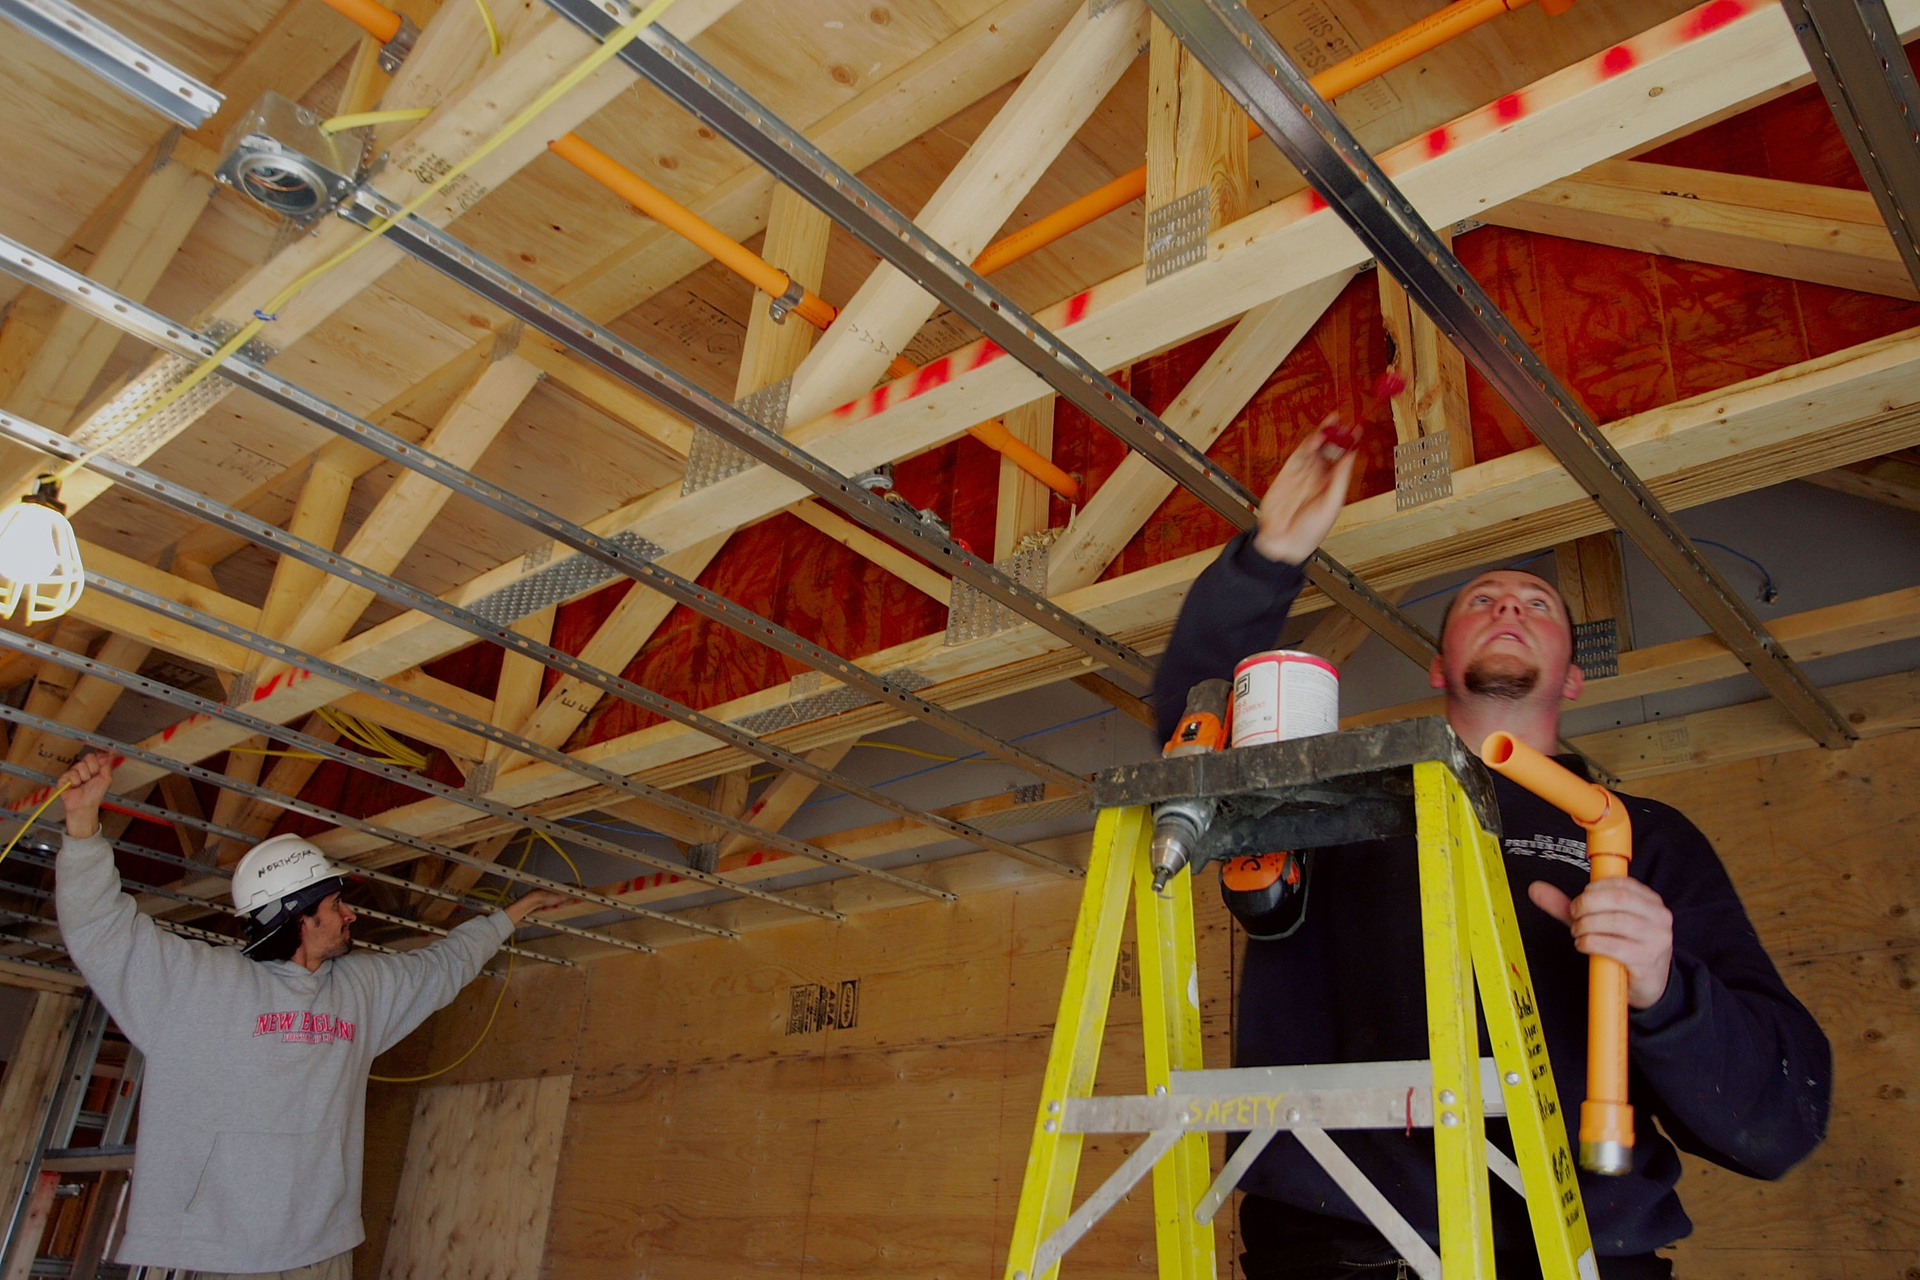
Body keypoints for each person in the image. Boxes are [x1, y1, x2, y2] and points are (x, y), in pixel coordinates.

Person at [1151, 422, 1830, 1279]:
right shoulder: (1331, 802)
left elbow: (1779, 1122)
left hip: (1570, 1256)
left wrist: (1663, 987)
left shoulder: (1640, 839)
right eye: (1481, 600)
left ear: (1573, 676)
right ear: (1438, 667)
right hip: (1332, 1252)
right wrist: (1268, 557)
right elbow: (1197, 732)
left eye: (1538, 604)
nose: (1510, 604)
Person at [51, 752, 570, 1280]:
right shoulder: (200, 986)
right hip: (224, 1251)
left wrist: (515, 913)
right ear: (299, 917)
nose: (350, 915)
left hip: (323, 1245)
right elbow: (102, 929)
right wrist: (83, 826)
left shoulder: (360, 990)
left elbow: (439, 968)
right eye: (336, 906)